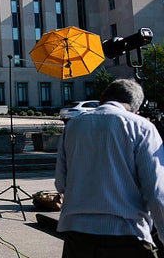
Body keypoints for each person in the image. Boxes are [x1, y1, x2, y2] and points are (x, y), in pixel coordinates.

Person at [55, 79, 164, 257]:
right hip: (127, 236)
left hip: (77, 236)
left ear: (102, 98)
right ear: (136, 109)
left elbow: (61, 183)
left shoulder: (73, 126)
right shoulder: (142, 127)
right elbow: (157, 193)